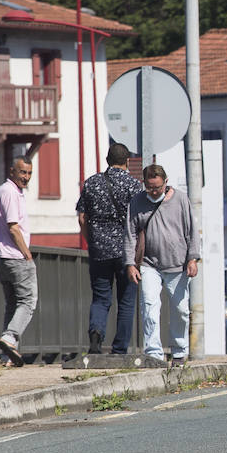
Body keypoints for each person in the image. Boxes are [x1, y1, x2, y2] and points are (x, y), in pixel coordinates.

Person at [124, 165, 201, 367]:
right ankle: (154, 354)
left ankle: (178, 351)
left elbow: (192, 231)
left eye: (157, 187)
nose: (154, 192)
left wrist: (193, 258)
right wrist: (130, 263)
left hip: (178, 265)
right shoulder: (137, 202)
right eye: (149, 188)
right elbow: (130, 233)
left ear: (166, 182)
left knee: (181, 310)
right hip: (150, 264)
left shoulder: (181, 199)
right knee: (150, 306)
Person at [76, 143, 145, 354]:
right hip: (127, 253)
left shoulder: (91, 183)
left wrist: (93, 242)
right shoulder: (134, 186)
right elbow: (141, 222)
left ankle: (96, 335)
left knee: (100, 297)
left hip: (99, 252)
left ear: (107, 160)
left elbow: (82, 218)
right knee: (126, 301)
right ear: (127, 162)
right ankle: (119, 348)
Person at [0, 157, 35, 367]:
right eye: (22, 173)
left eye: (29, 173)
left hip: (2, 257)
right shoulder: (9, 192)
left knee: (13, 304)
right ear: (12, 171)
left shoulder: (6, 191)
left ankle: (7, 355)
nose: (26, 177)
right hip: (15, 256)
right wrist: (26, 253)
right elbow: (13, 227)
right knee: (28, 302)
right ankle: (10, 338)